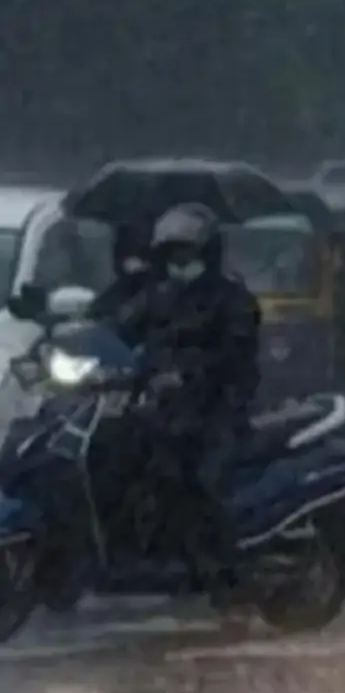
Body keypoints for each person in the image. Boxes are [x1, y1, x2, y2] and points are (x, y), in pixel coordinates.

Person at [129, 204, 262, 608]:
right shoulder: (160, 294)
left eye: (186, 254)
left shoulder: (232, 299)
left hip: (217, 406)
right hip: (167, 407)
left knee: (204, 481)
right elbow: (123, 325)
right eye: (171, 255)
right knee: (129, 458)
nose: (178, 263)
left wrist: (187, 374)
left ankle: (227, 571)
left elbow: (234, 356)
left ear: (208, 254)